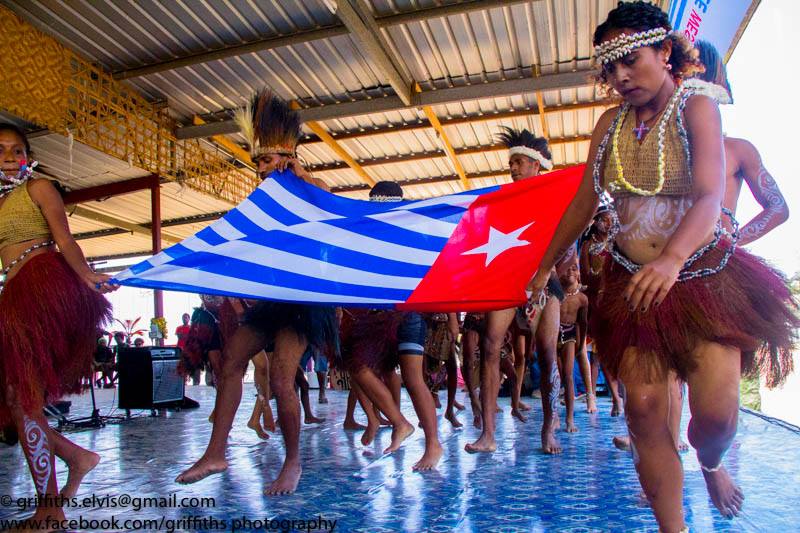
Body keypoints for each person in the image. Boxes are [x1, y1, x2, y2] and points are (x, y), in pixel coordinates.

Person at [528, 3, 798, 529]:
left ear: (666, 51)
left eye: (630, 59)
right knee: (646, 411)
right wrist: (543, 266)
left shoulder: (698, 108)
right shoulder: (610, 126)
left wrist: (675, 257)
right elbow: (585, 201)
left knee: (716, 419)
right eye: (609, 68)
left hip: (703, 281)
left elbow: (707, 195)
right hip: (633, 285)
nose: (620, 76)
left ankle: (711, 460)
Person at [175, 91, 338, 495]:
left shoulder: (311, 186)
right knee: (230, 361)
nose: (260, 168)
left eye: (265, 161)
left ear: (285, 156)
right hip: (270, 301)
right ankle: (216, 452)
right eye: (257, 162)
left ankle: (293, 462)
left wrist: (301, 178)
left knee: (283, 380)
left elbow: (330, 208)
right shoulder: (258, 201)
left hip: (304, 302)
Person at [0, 123, 117, 525]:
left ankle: (50, 508)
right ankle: (75, 456)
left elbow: (65, 240)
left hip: (42, 290)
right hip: (13, 295)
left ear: (27, 156)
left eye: (17, 149)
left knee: (22, 397)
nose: (9, 156)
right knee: (16, 400)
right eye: (0, 149)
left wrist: (87, 278)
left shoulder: (39, 188)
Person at [465, 127, 564, 455]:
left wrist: (546, 272)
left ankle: (549, 428)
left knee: (549, 355)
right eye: (512, 163)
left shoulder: (554, 196)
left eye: (520, 162)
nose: (515, 168)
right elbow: (485, 247)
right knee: (491, 347)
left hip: (544, 284)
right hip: (508, 280)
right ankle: (489, 434)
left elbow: (564, 244)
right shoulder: (503, 200)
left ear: (536, 165)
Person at [579, 205, 623, 415]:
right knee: (598, 354)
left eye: (610, 219)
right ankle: (609, 398)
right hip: (597, 303)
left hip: (616, 303)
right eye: (604, 220)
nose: (608, 223)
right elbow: (585, 274)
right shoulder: (587, 245)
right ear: (595, 222)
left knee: (618, 352)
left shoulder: (618, 244)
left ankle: (620, 397)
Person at [555, 252, 591, 432]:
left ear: (578, 275)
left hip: (569, 335)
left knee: (568, 375)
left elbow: (582, 324)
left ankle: (569, 418)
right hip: (553, 334)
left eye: (574, 268)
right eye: (566, 268)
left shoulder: (582, 299)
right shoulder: (555, 293)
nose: (570, 271)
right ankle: (554, 416)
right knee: (554, 375)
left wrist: (580, 342)